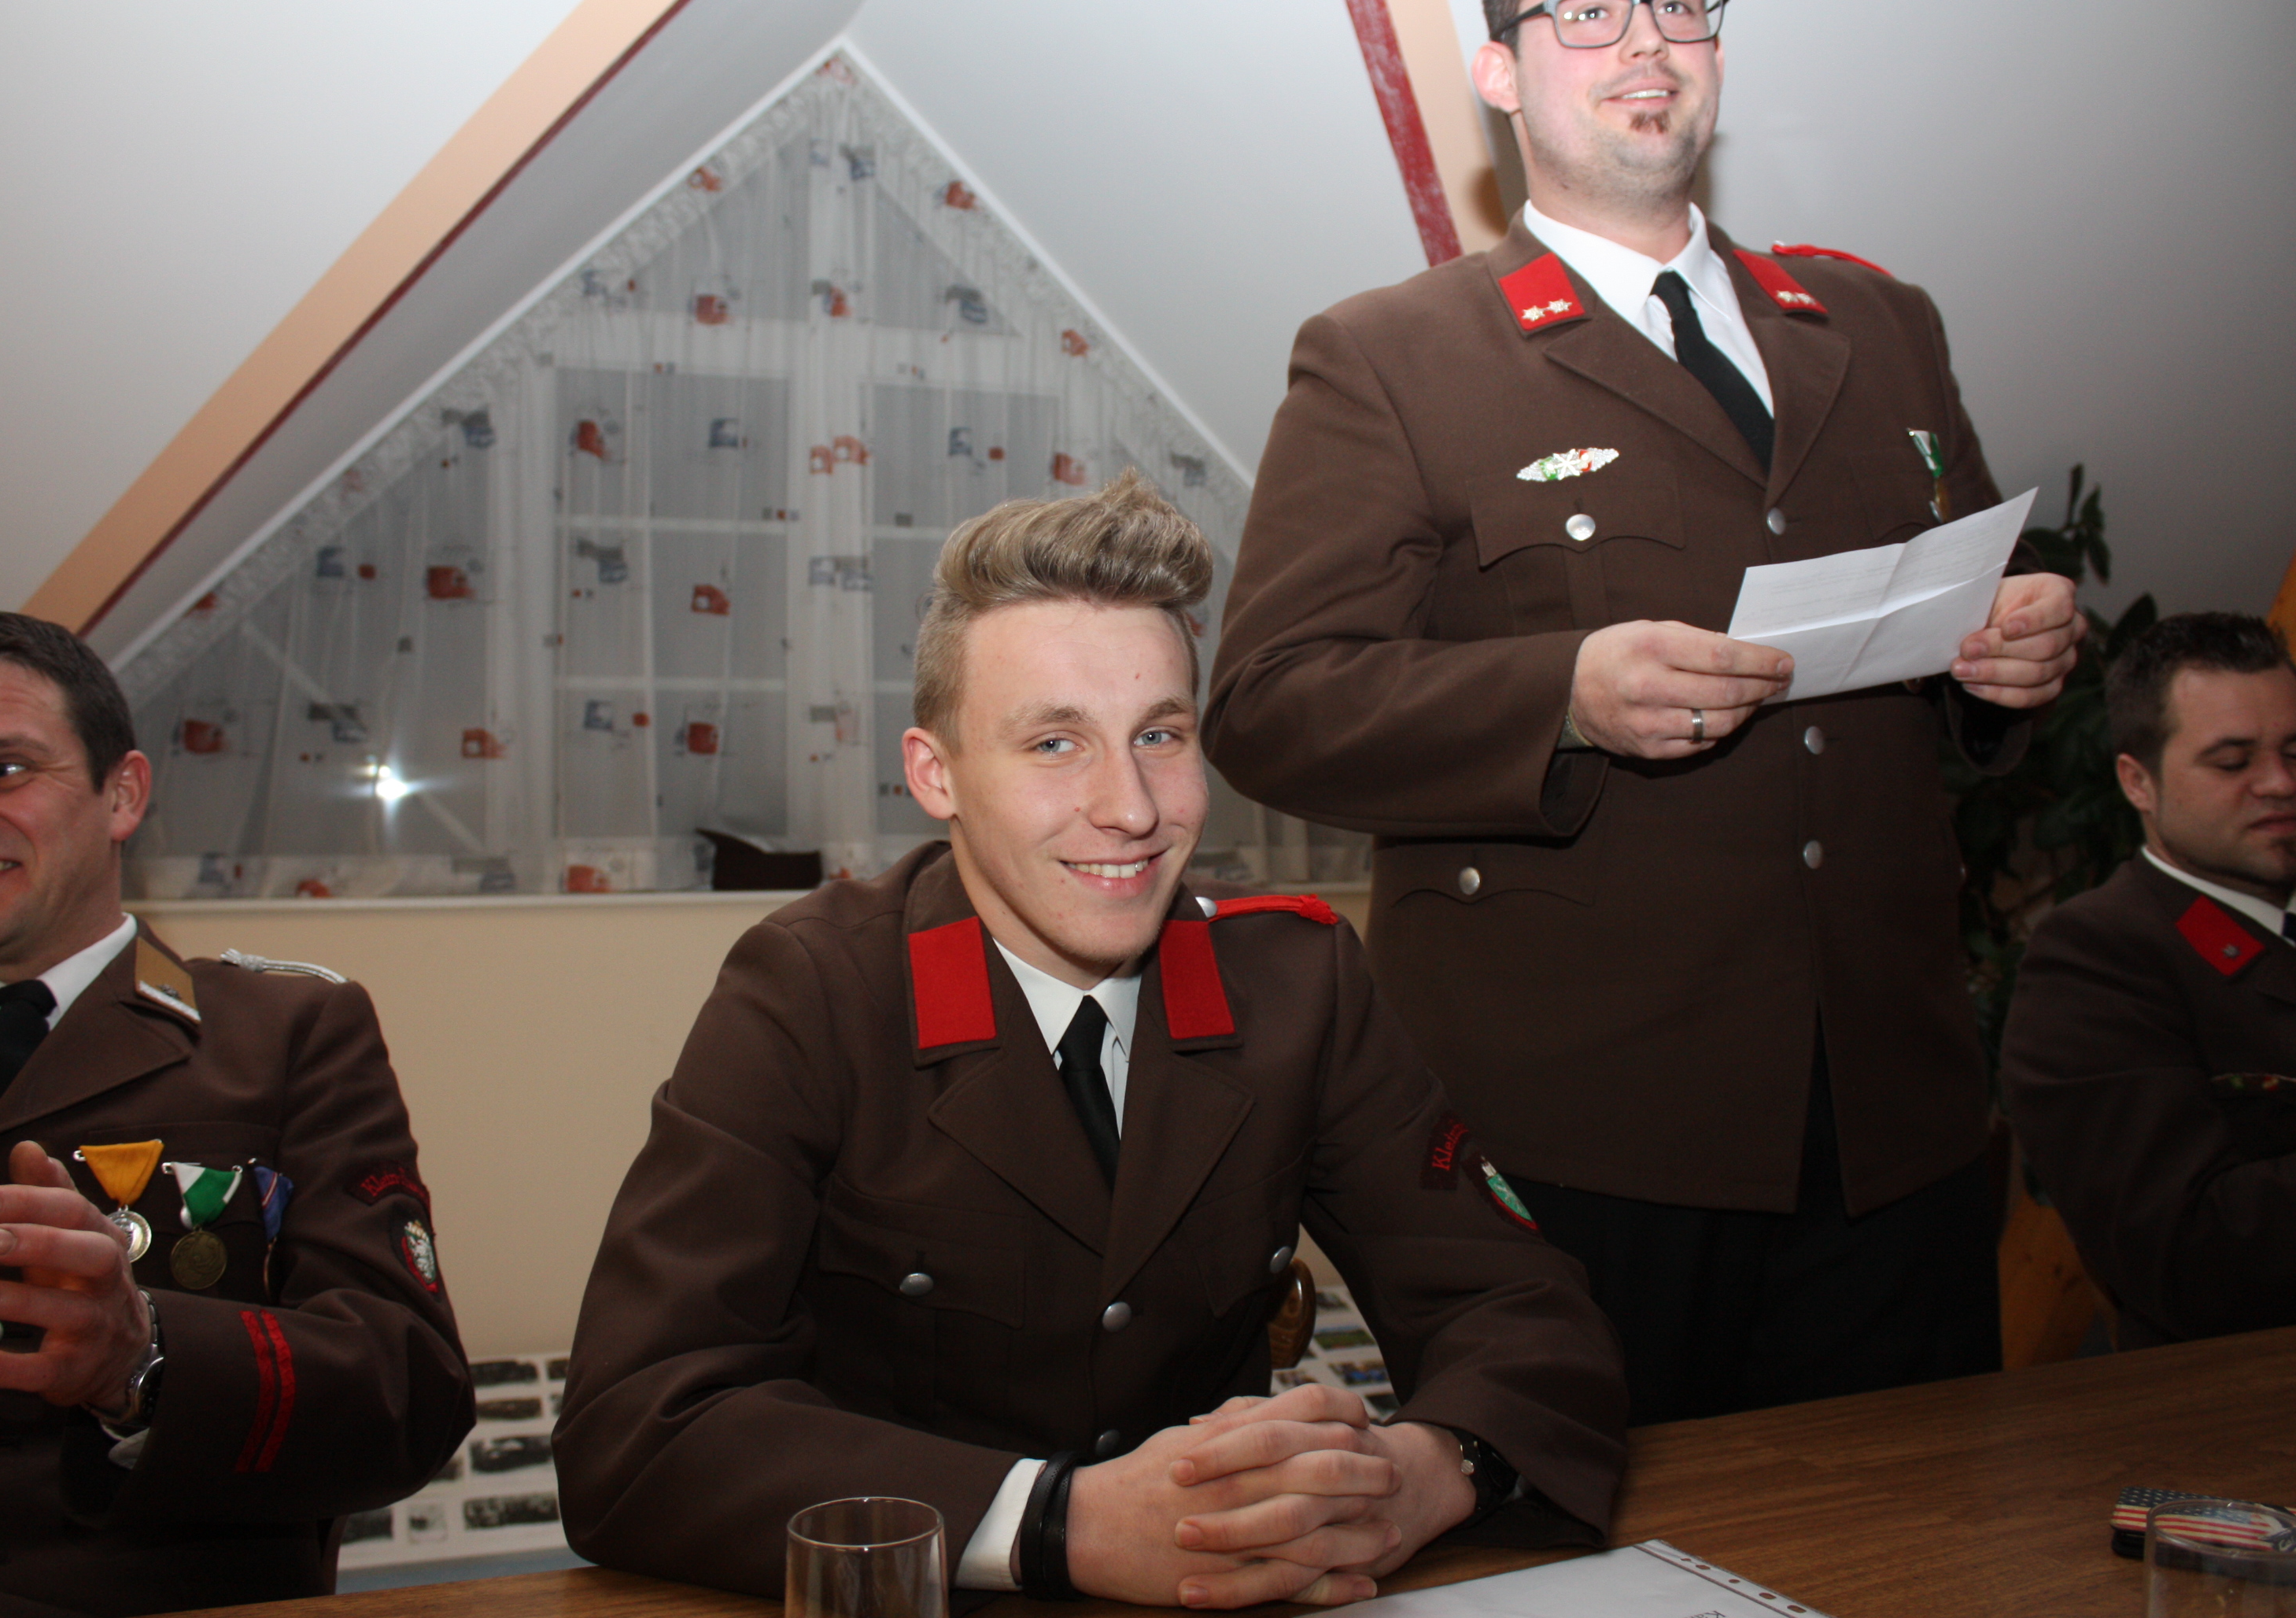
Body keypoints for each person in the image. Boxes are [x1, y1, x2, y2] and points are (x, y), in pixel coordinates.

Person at [1203, 0, 2087, 1424]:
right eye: (1586, 13)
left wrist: (2013, 648)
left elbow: (1968, 595)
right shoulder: (1391, 356)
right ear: (1497, 73)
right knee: (1597, 1528)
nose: (1644, 44)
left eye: (1681, 7)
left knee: (1914, 1522)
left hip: (1894, 1113)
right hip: (1589, 1133)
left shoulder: (1877, 323)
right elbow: (1267, 703)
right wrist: (1559, 697)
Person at [555, 471, 1626, 1607]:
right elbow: (636, 1428)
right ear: (935, 774)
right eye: (1056, 743)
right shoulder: (813, 992)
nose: (1132, 807)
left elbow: (1521, 1314)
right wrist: (1059, 1523)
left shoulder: (1296, 980)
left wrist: (1425, 1473)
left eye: (1159, 734)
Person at [0, 611, 474, 1617]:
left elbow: (407, 1395)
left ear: (123, 794)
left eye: (3, 770)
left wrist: (143, 1358)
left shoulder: (286, 1035)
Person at [2003, 612, 2296, 1349]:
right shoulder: (2095, 959)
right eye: (2232, 762)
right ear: (2137, 782)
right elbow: (2187, 1257)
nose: (2279, 783)